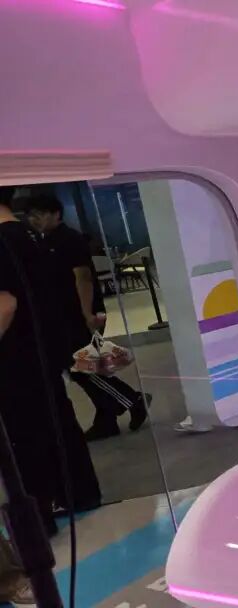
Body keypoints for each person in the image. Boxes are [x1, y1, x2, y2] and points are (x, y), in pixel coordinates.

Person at [0, 187, 101, 536]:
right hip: (42, 345)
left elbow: (6, 304)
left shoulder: (5, 241)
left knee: (25, 433)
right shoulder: (30, 237)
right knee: (56, 418)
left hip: (15, 354)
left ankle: (39, 511)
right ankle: (78, 493)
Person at [26, 195, 148, 441]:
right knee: (83, 364)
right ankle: (106, 419)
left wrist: (87, 314)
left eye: (40, 214)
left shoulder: (68, 239)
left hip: (76, 315)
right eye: (31, 215)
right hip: (62, 315)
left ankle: (133, 400)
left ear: (56, 214)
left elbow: (83, 277)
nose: (35, 220)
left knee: (80, 367)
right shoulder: (45, 241)